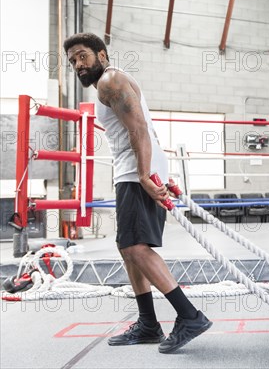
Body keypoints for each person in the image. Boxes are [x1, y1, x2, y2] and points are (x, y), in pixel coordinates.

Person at [64, 33, 212, 354]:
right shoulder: (109, 81)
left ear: (101, 54)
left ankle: (190, 316)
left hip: (137, 170)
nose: (78, 64)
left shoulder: (110, 81)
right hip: (131, 169)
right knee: (127, 246)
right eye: (73, 60)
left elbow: (139, 128)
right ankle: (148, 323)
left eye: (82, 56)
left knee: (135, 247)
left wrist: (144, 175)